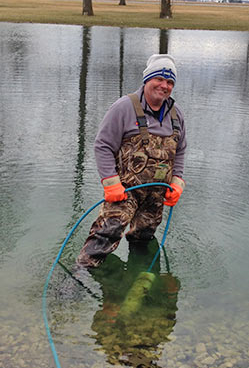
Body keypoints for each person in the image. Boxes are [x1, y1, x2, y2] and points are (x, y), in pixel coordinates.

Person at [76, 54, 187, 268]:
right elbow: (103, 145)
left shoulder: (177, 114)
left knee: (144, 238)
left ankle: (139, 276)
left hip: (157, 193)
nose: (164, 86)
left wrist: (177, 181)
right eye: (159, 79)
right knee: (106, 234)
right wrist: (110, 182)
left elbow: (180, 150)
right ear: (147, 79)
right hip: (124, 191)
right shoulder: (123, 107)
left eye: (170, 82)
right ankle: (78, 275)